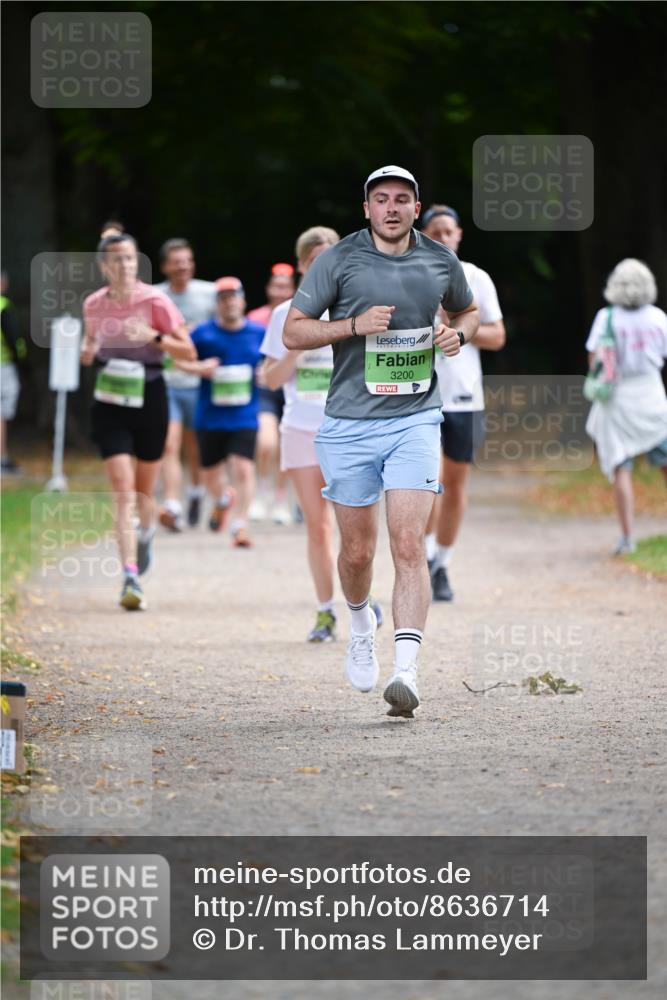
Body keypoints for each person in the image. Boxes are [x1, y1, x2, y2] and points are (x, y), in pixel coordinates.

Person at [284, 166, 479, 717]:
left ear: (417, 209)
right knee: (357, 551)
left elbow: (468, 309)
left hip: (416, 418)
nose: (391, 208)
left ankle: (407, 671)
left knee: (409, 544)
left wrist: (455, 334)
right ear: (366, 208)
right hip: (348, 424)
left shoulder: (440, 259)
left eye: (402, 200)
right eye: (381, 200)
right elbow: (293, 331)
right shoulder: (338, 260)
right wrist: (352, 325)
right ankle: (360, 622)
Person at [81, 233, 195, 610]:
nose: (125, 266)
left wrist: (154, 336)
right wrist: (86, 351)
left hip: (150, 395)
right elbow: (90, 347)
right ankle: (130, 576)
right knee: (123, 488)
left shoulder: (155, 301)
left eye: (130, 259)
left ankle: (145, 534)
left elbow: (187, 351)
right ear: (104, 266)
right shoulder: (94, 305)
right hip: (110, 397)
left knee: (145, 490)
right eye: (116, 260)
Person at [421, 205, 506, 601]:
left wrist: (457, 327)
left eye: (447, 231)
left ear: (458, 236)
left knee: (454, 486)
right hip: (417, 395)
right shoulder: (408, 273)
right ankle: (419, 558)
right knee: (427, 483)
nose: (441, 237)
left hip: (463, 395)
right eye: (434, 231)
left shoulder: (475, 277)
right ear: (422, 235)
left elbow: (497, 336)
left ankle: (442, 563)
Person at [585, 258, 667, 554]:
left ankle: (628, 537)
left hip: (617, 398)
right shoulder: (659, 318)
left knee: (621, 466)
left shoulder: (606, 317)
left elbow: (594, 360)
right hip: (652, 396)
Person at [177, 277, 265, 547]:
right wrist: (200, 368)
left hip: (244, 414)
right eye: (224, 299)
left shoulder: (258, 333)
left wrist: (264, 373)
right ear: (217, 304)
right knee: (210, 476)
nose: (229, 303)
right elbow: (177, 360)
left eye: (233, 297)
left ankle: (240, 526)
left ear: (243, 301)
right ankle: (224, 497)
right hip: (210, 416)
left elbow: (271, 364)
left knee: (243, 468)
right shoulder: (202, 333)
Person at [155, 239, 217, 531]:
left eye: (187, 260)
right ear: (166, 266)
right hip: (166, 380)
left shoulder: (209, 293)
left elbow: (222, 332)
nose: (183, 266)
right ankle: (172, 504)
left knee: (195, 447)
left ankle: (195, 492)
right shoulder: (155, 297)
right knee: (169, 443)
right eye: (177, 261)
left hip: (199, 382)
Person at [248, 263, 297, 525]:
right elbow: (247, 349)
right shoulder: (255, 318)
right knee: (266, 442)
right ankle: (261, 490)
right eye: (275, 286)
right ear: (268, 288)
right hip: (266, 388)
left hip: (293, 387)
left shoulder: (299, 315)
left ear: (292, 289)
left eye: (284, 287)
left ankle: (280, 499)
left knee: (286, 444)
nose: (279, 291)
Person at [0, 270, 27, 475]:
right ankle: (2, 458)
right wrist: (21, 361)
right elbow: (14, 339)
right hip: (3, 366)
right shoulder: (3, 306)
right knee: (1, 412)